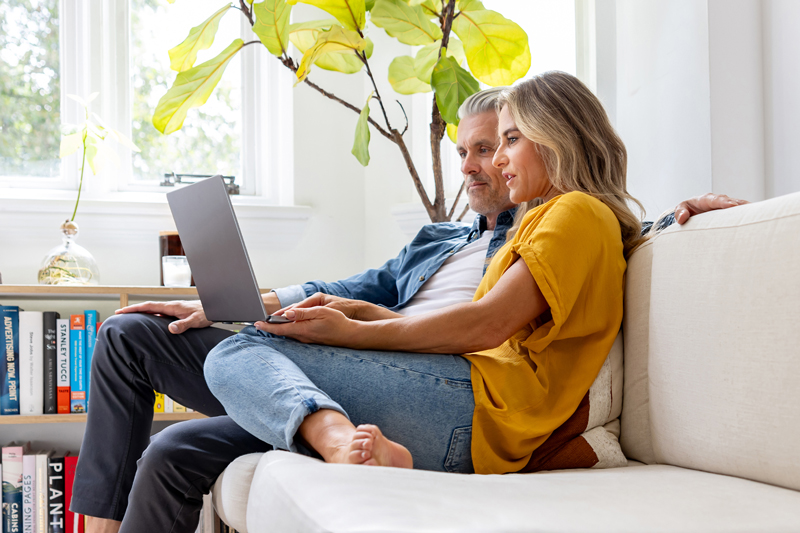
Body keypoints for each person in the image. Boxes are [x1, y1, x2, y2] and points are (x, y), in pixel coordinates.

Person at [74, 82, 745, 532]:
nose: (482, 164)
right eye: (472, 149)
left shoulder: (556, 218)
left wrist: (676, 217)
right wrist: (268, 303)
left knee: (234, 351)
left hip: (451, 395)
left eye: (501, 142)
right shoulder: (448, 236)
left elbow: (539, 288)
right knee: (171, 427)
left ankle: (336, 439)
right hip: (401, 388)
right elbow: (366, 285)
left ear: (551, 135)